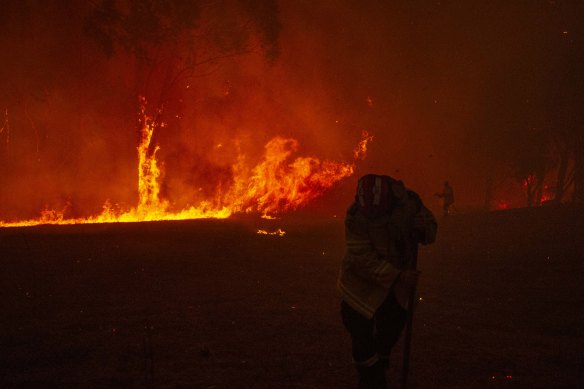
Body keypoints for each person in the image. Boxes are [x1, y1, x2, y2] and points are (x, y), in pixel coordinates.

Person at [338, 174, 437, 389]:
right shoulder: (355, 216)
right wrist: (398, 275)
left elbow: (430, 233)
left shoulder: (410, 203)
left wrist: (424, 226)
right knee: (360, 335)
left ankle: (375, 372)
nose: (373, 218)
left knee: (388, 335)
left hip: (396, 290)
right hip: (360, 285)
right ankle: (374, 381)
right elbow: (361, 257)